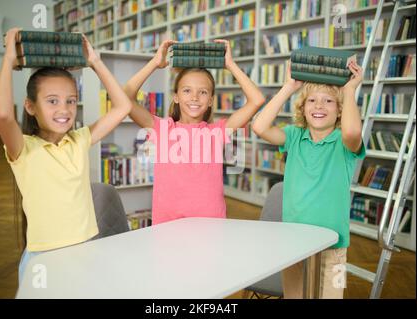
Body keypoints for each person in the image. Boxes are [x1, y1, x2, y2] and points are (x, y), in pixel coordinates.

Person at [0, 28, 133, 284]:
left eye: (71, 101)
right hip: (45, 261)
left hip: (87, 252)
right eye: (52, 101)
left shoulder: (79, 140)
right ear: (30, 106)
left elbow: (123, 106)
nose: (64, 110)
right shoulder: (23, 149)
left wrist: (96, 62)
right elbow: (2, 115)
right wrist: (8, 60)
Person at [252, 60, 365, 299]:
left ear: (340, 110)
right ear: (303, 108)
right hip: (293, 240)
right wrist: (288, 88)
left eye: (328, 101)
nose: (319, 105)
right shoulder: (294, 136)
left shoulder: (343, 141)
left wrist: (349, 90)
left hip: (333, 244)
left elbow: (353, 132)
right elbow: (259, 126)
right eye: (312, 100)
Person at [123, 39, 265, 225]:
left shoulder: (218, 131)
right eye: (187, 90)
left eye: (203, 92)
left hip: (210, 225)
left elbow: (257, 100)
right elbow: (125, 98)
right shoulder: (161, 128)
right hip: (167, 225)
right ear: (176, 97)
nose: (195, 97)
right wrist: (154, 63)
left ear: (211, 100)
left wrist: (230, 65)